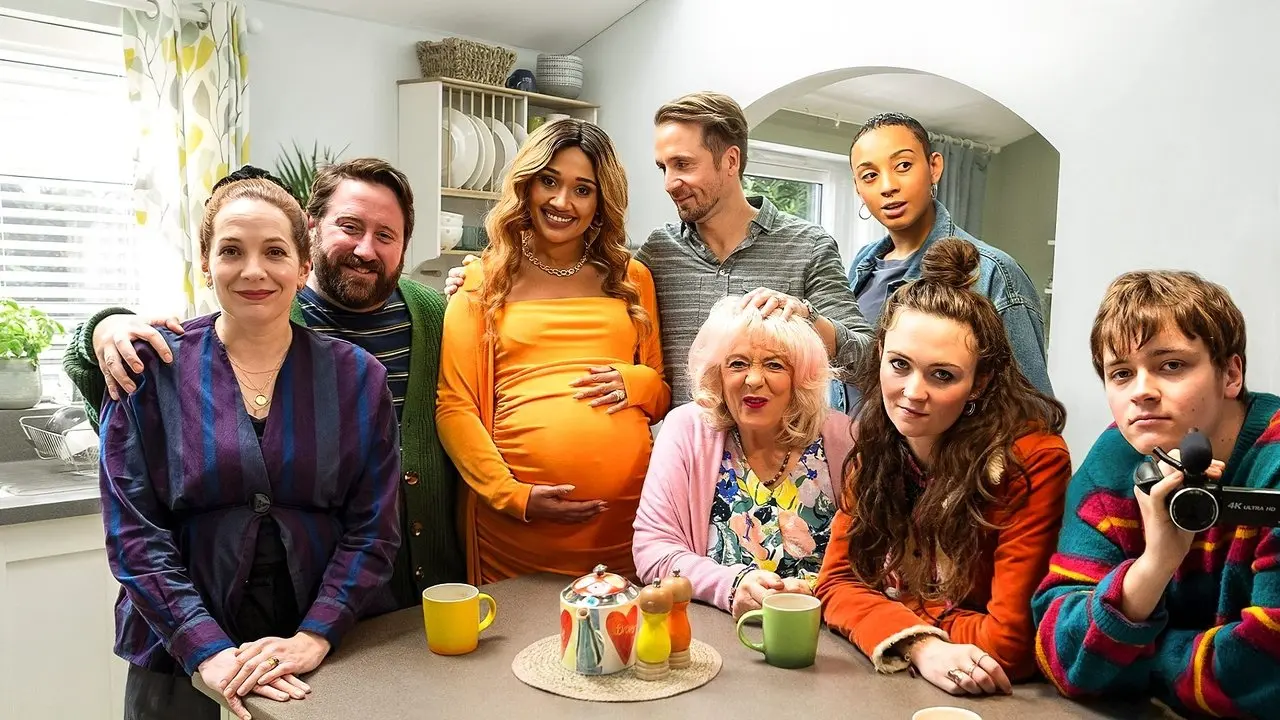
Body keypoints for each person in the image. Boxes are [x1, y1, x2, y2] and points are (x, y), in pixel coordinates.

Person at [63, 158, 462, 606]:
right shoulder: (262, 307)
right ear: (311, 232)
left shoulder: (434, 314)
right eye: (349, 227)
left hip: (417, 581)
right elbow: (135, 392)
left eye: (386, 235)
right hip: (308, 591)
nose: (366, 249)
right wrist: (102, 327)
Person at [99, 169, 401, 720]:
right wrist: (203, 649)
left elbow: (374, 529)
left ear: (303, 266)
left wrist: (316, 634)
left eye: (275, 251)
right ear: (205, 263)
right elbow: (134, 536)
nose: (254, 270)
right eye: (232, 251)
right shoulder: (147, 369)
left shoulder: (358, 377)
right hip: (175, 655)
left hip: (319, 652)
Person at [447, 91, 874, 406]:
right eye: (663, 167)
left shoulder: (807, 246)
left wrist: (807, 320)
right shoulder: (657, 254)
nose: (670, 183)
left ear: (730, 161)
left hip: (776, 472)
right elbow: (575, 275)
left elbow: (869, 363)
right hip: (681, 466)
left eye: (683, 164)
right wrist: (479, 276)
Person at [816, 238, 1070, 696]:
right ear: (879, 355)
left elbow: (1010, 643)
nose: (913, 392)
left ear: (980, 382)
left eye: (943, 375)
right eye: (899, 365)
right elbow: (835, 581)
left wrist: (891, 606)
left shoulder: (1030, 462)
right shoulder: (876, 446)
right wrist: (920, 645)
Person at [1032, 271, 1280, 718]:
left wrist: (1138, 658)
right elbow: (1060, 653)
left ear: (1231, 374)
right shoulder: (1114, 459)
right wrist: (1155, 565)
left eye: (1171, 366)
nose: (1141, 391)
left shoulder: (1274, 462)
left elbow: (1266, 670)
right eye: (1121, 373)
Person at [435, 118, 670, 584]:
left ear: (601, 201)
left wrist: (638, 382)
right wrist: (512, 496)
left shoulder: (631, 278)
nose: (562, 202)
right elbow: (454, 406)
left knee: (623, 629)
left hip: (623, 521)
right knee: (518, 630)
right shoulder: (482, 281)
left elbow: (661, 395)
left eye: (583, 189)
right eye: (549, 181)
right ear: (526, 185)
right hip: (516, 526)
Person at [632, 297, 853, 618]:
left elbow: (882, 557)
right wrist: (732, 584)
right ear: (718, 374)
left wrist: (820, 592)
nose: (753, 379)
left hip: (828, 630)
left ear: (801, 377)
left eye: (774, 365)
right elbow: (653, 550)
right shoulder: (687, 429)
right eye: (737, 364)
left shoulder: (843, 437)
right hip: (716, 631)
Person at [836, 112, 1052, 412]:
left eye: (903, 165)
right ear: (858, 188)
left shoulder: (992, 272)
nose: (887, 186)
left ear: (934, 167)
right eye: (870, 175)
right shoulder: (863, 265)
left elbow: (1033, 410)